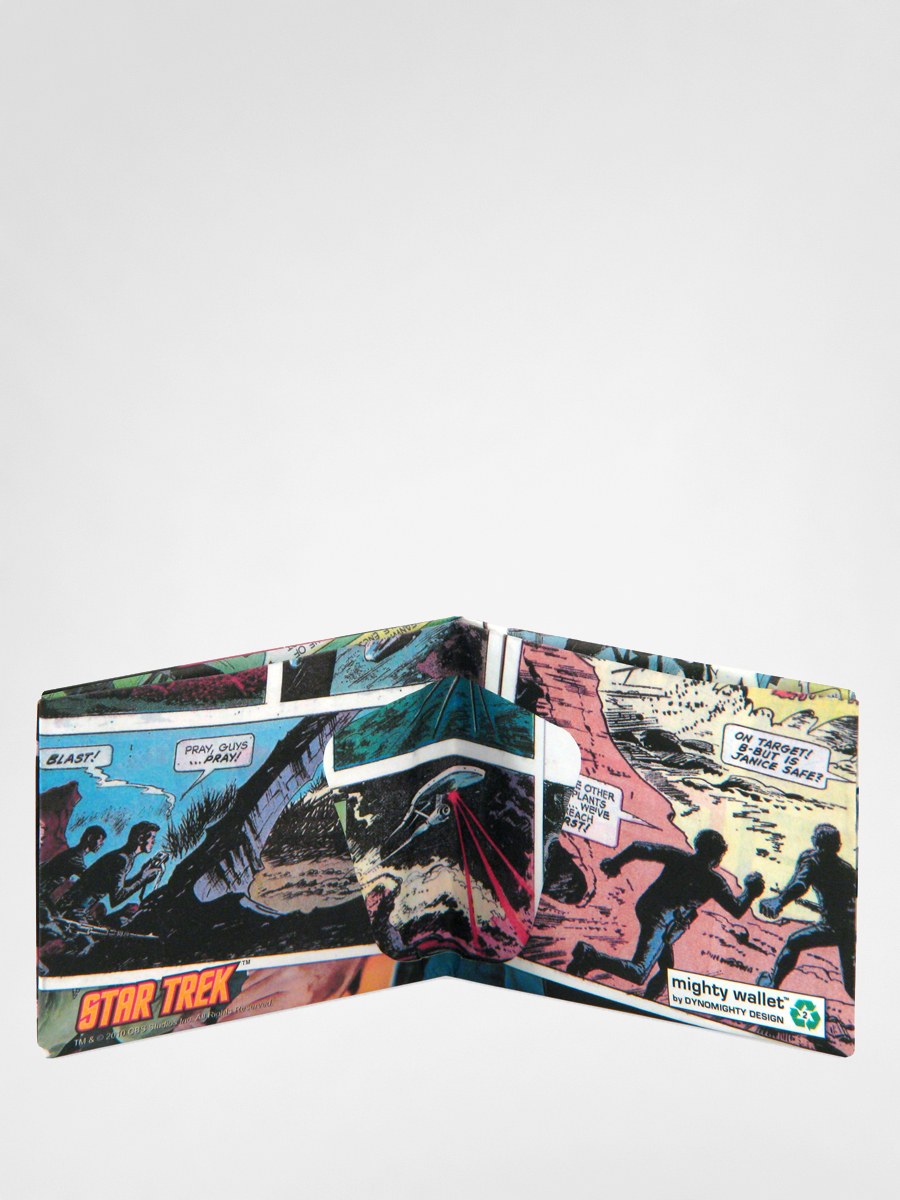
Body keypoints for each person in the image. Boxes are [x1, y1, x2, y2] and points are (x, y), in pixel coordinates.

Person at [567, 829, 764, 1000]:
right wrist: (751, 892)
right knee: (639, 972)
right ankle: (590, 956)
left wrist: (615, 863)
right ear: (717, 856)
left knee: (666, 969)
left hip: (648, 908)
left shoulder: (678, 856)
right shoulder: (714, 881)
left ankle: (649, 1000)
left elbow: (638, 847)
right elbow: (737, 909)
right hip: (661, 920)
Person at [757, 823, 856, 998]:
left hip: (832, 927)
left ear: (815, 841)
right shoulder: (847, 868)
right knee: (851, 985)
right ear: (838, 846)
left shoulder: (812, 860)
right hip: (851, 928)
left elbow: (800, 884)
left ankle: (772, 985)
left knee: (794, 941)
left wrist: (779, 901)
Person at [60, 821, 164, 922]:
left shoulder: (124, 856)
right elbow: (116, 898)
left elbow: (115, 887)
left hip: (76, 907)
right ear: (141, 839)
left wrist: (141, 874)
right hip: (73, 909)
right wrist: (143, 879)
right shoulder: (122, 859)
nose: (154, 842)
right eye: (152, 838)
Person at [39, 825, 106, 908]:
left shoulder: (73, 854)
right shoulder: (75, 858)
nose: (101, 844)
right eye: (100, 840)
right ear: (90, 838)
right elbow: (88, 878)